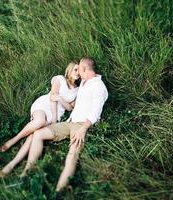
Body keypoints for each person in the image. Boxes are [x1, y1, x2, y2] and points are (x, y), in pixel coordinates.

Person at [20, 57, 108, 192]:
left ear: (85, 69)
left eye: (79, 69)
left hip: (82, 125)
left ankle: (59, 190)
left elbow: (96, 111)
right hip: (69, 122)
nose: (78, 72)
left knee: (72, 153)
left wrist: (83, 129)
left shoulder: (98, 86)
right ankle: (28, 170)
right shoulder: (85, 81)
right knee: (38, 133)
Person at [0, 61, 80, 178]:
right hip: (44, 106)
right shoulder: (59, 79)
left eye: (80, 70)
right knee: (39, 121)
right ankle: (14, 140)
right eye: (76, 69)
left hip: (57, 114)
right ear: (69, 69)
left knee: (34, 134)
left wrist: (60, 99)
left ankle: (13, 166)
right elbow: (52, 98)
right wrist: (54, 118)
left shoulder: (77, 89)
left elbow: (70, 107)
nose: (78, 72)